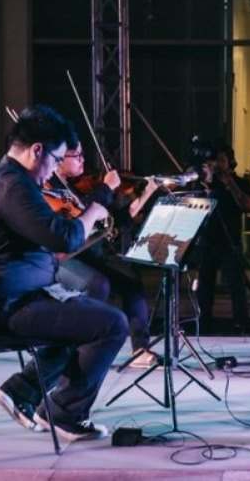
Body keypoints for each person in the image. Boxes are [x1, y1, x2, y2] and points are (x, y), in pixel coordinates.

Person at [0, 105, 126, 441]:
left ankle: (22, 391)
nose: (52, 173)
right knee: (112, 324)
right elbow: (63, 236)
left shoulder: (8, 179)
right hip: (5, 308)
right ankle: (65, 412)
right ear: (37, 150)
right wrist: (96, 207)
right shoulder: (14, 187)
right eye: (55, 159)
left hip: (12, 297)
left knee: (86, 312)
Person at [49, 129, 159, 369]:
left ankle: (140, 348)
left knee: (131, 279)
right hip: (67, 256)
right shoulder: (50, 189)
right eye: (75, 155)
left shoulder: (77, 188)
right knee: (99, 284)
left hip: (91, 253)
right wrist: (105, 190)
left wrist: (147, 193)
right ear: (57, 159)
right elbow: (78, 222)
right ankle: (80, 347)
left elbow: (117, 220)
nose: (82, 159)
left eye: (82, 155)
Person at [196, 143, 250, 332]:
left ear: (230, 162)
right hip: (208, 240)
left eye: (222, 160)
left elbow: (249, 205)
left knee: (236, 285)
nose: (218, 165)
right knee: (205, 285)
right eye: (214, 161)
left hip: (230, 240)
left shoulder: (240, 183)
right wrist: (206, 180)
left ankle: (241, 322)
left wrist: (231, 184)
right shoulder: (207, 184)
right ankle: (204, 322)